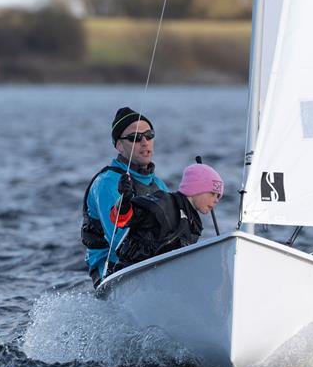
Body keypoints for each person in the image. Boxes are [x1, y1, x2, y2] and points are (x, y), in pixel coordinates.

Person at [81, 107, 168, 288]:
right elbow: (119, 241)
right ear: (119, 146)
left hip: (154, 266)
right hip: (112, 271)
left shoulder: (158, 184)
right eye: (135, 138)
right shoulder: (106, 183)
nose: (145, 142)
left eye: (149, 135)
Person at [109, 163, 224, 270]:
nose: (216, 200)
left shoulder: (194, 224)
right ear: (196, 189)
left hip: (162, 276)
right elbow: (122, 219)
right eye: (212, 193)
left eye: (219, 196)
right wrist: (124, 201)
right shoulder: (164, 203)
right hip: (131, 273)